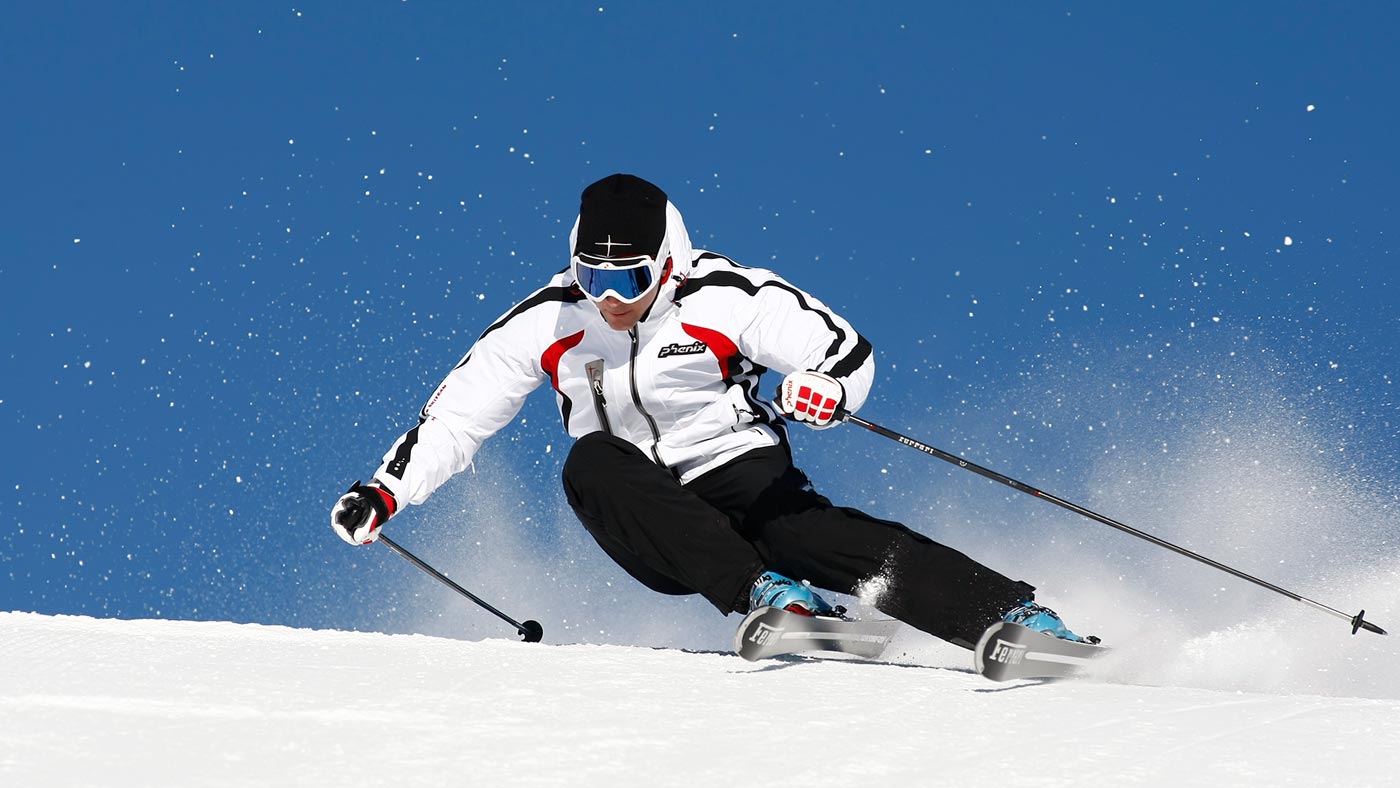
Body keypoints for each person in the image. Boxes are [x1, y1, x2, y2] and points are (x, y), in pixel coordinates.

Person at [331, 173, 1088, 649]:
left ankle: (1011, 616)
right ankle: (768, 601)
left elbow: (845, 353)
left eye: (629, 278)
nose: (611, 299)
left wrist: (824, 388)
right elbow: (459, 414)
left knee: (806, 535)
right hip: (648, 516)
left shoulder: (720, 296)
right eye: (593, 275)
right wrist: (385, 490)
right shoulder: (551, 319)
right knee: (590, 460)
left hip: (739, 470)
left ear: (666, 263)